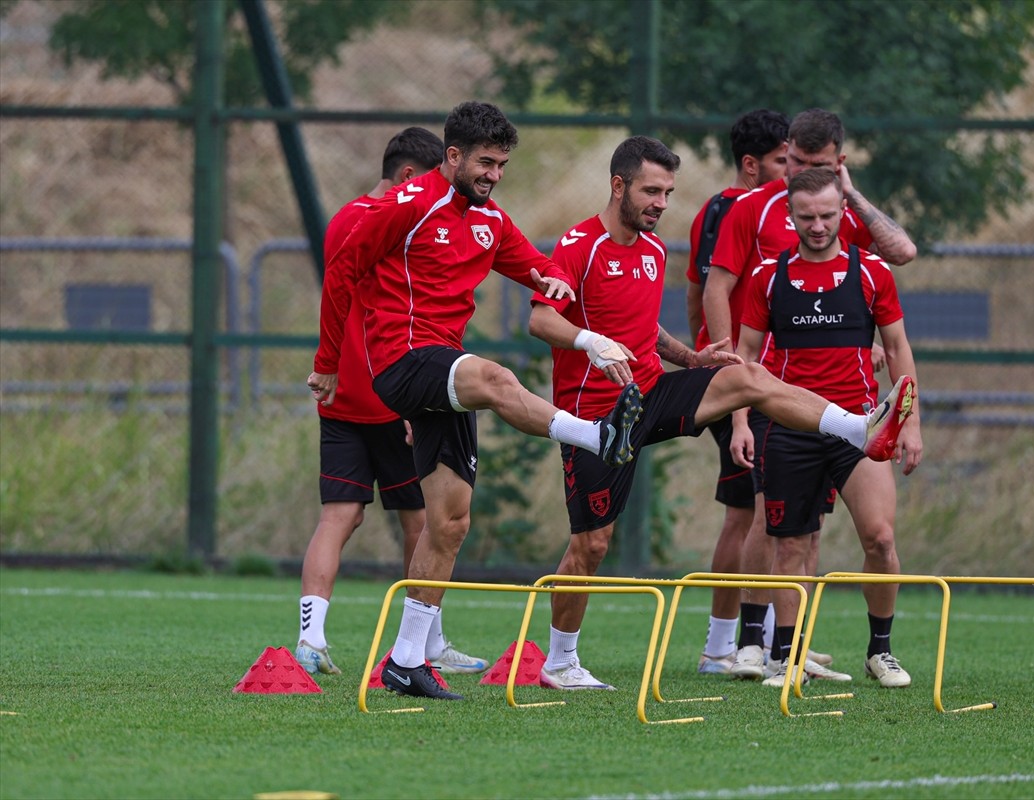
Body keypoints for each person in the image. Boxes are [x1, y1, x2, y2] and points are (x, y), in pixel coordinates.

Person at [527, 136, 916, 690]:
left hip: (651, 394)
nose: (662, 202)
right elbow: (542, 319)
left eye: (668, 192)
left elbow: (640, 331)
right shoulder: (579, 245)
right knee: (591, 545)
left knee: (747, 378)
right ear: (618, 187)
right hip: (597, 416)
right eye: (651, 191)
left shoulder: (654, 251)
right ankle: (560, 663)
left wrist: (691, 357)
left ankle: (858, 428)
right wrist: (590, 341)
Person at [309, 102, 645, 701]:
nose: (494, 174)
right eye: (485, 163)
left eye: (502, 164)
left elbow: (532, 266)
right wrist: (328, 363)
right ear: (453, 156)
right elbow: (340, 273)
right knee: (493, 380)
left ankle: (407, 660)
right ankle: (600, 436)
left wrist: (552, 280)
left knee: (451, 522)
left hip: (440, 369)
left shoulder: (490, 220)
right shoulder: (407, 205)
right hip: (401, 358)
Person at [706, 108, 918, 683]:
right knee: (789, 544)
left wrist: (911, 423)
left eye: (827, 215)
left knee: (880, 536)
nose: (818, 226)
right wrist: (743, 421)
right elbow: (746, 360)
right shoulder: (767, 275)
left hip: (858, 426)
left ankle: (880, 649)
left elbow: (898, 349)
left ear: (841, 209)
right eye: (807, 216)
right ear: (791, 215)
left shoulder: (871, 270)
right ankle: (785, 654)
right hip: (789, 424)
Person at [296, 127, 489, 678]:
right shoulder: (412, 215)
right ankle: (427, 643)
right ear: (412, 177)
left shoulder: (342, 219)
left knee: (338, 516)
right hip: (395, 396)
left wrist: (327, 365)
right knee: (425, 522)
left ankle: (310, 641)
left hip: (340, 398)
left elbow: (339, 295)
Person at [685, 109, 791, 678]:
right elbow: (705, 289)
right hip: (738, 378)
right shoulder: (729, 208)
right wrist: (715, 354)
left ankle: (773, 640)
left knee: (775, 512)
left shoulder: (791, 213)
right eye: (783, 162)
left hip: (773, 375)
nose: (794, 172)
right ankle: (722, 645)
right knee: (744, 510)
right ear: (752, 165)